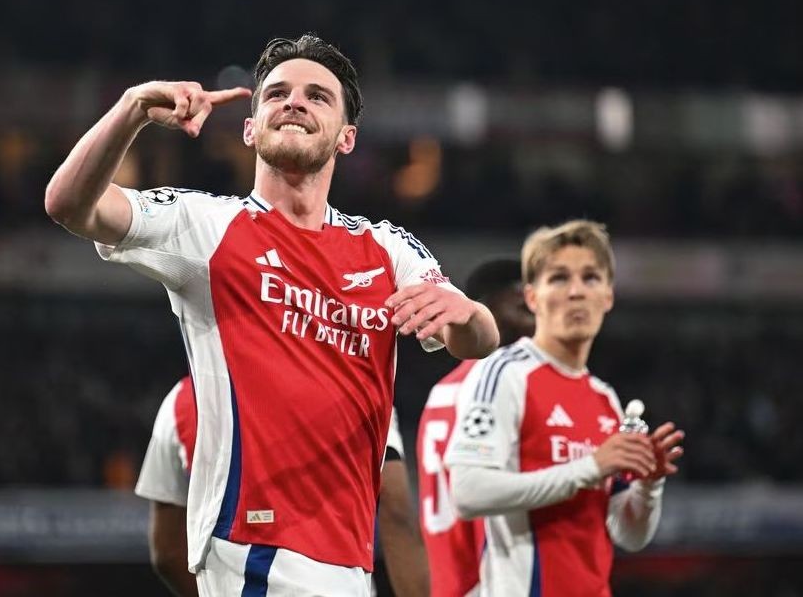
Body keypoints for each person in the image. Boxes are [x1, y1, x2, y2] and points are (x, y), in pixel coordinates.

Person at [45, 34, 498, 595]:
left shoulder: (387, 247)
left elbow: (475, 340)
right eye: (277, 93)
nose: (294, 102)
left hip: (349, 557)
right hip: (256, 549)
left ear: (347, 138)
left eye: (317, 96)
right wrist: (132, 108)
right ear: (250, 128)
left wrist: (468, 312)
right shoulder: (206, 226)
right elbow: (69, 204)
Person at [444, 220, 685, 597]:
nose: (576, 291)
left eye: (591, 278)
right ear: (532, 297)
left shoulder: (605, 399)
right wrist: (590, 467)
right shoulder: (504, 373)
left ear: (608, 296)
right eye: (559, 278)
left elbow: (628, 534)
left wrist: (649, 486)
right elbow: (468, 491)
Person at [135, 376, 429, 597]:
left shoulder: (181, 402)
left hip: (241, 575)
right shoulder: (358, 384)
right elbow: (395, 509)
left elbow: (167, 552)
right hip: (339, 581)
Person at [417, 258, 535, 597]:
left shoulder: (442, 392)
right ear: (486, 310)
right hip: (493, 579)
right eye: (524, 308)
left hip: (451, 582)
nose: (539, 320)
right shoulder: (506, 388)